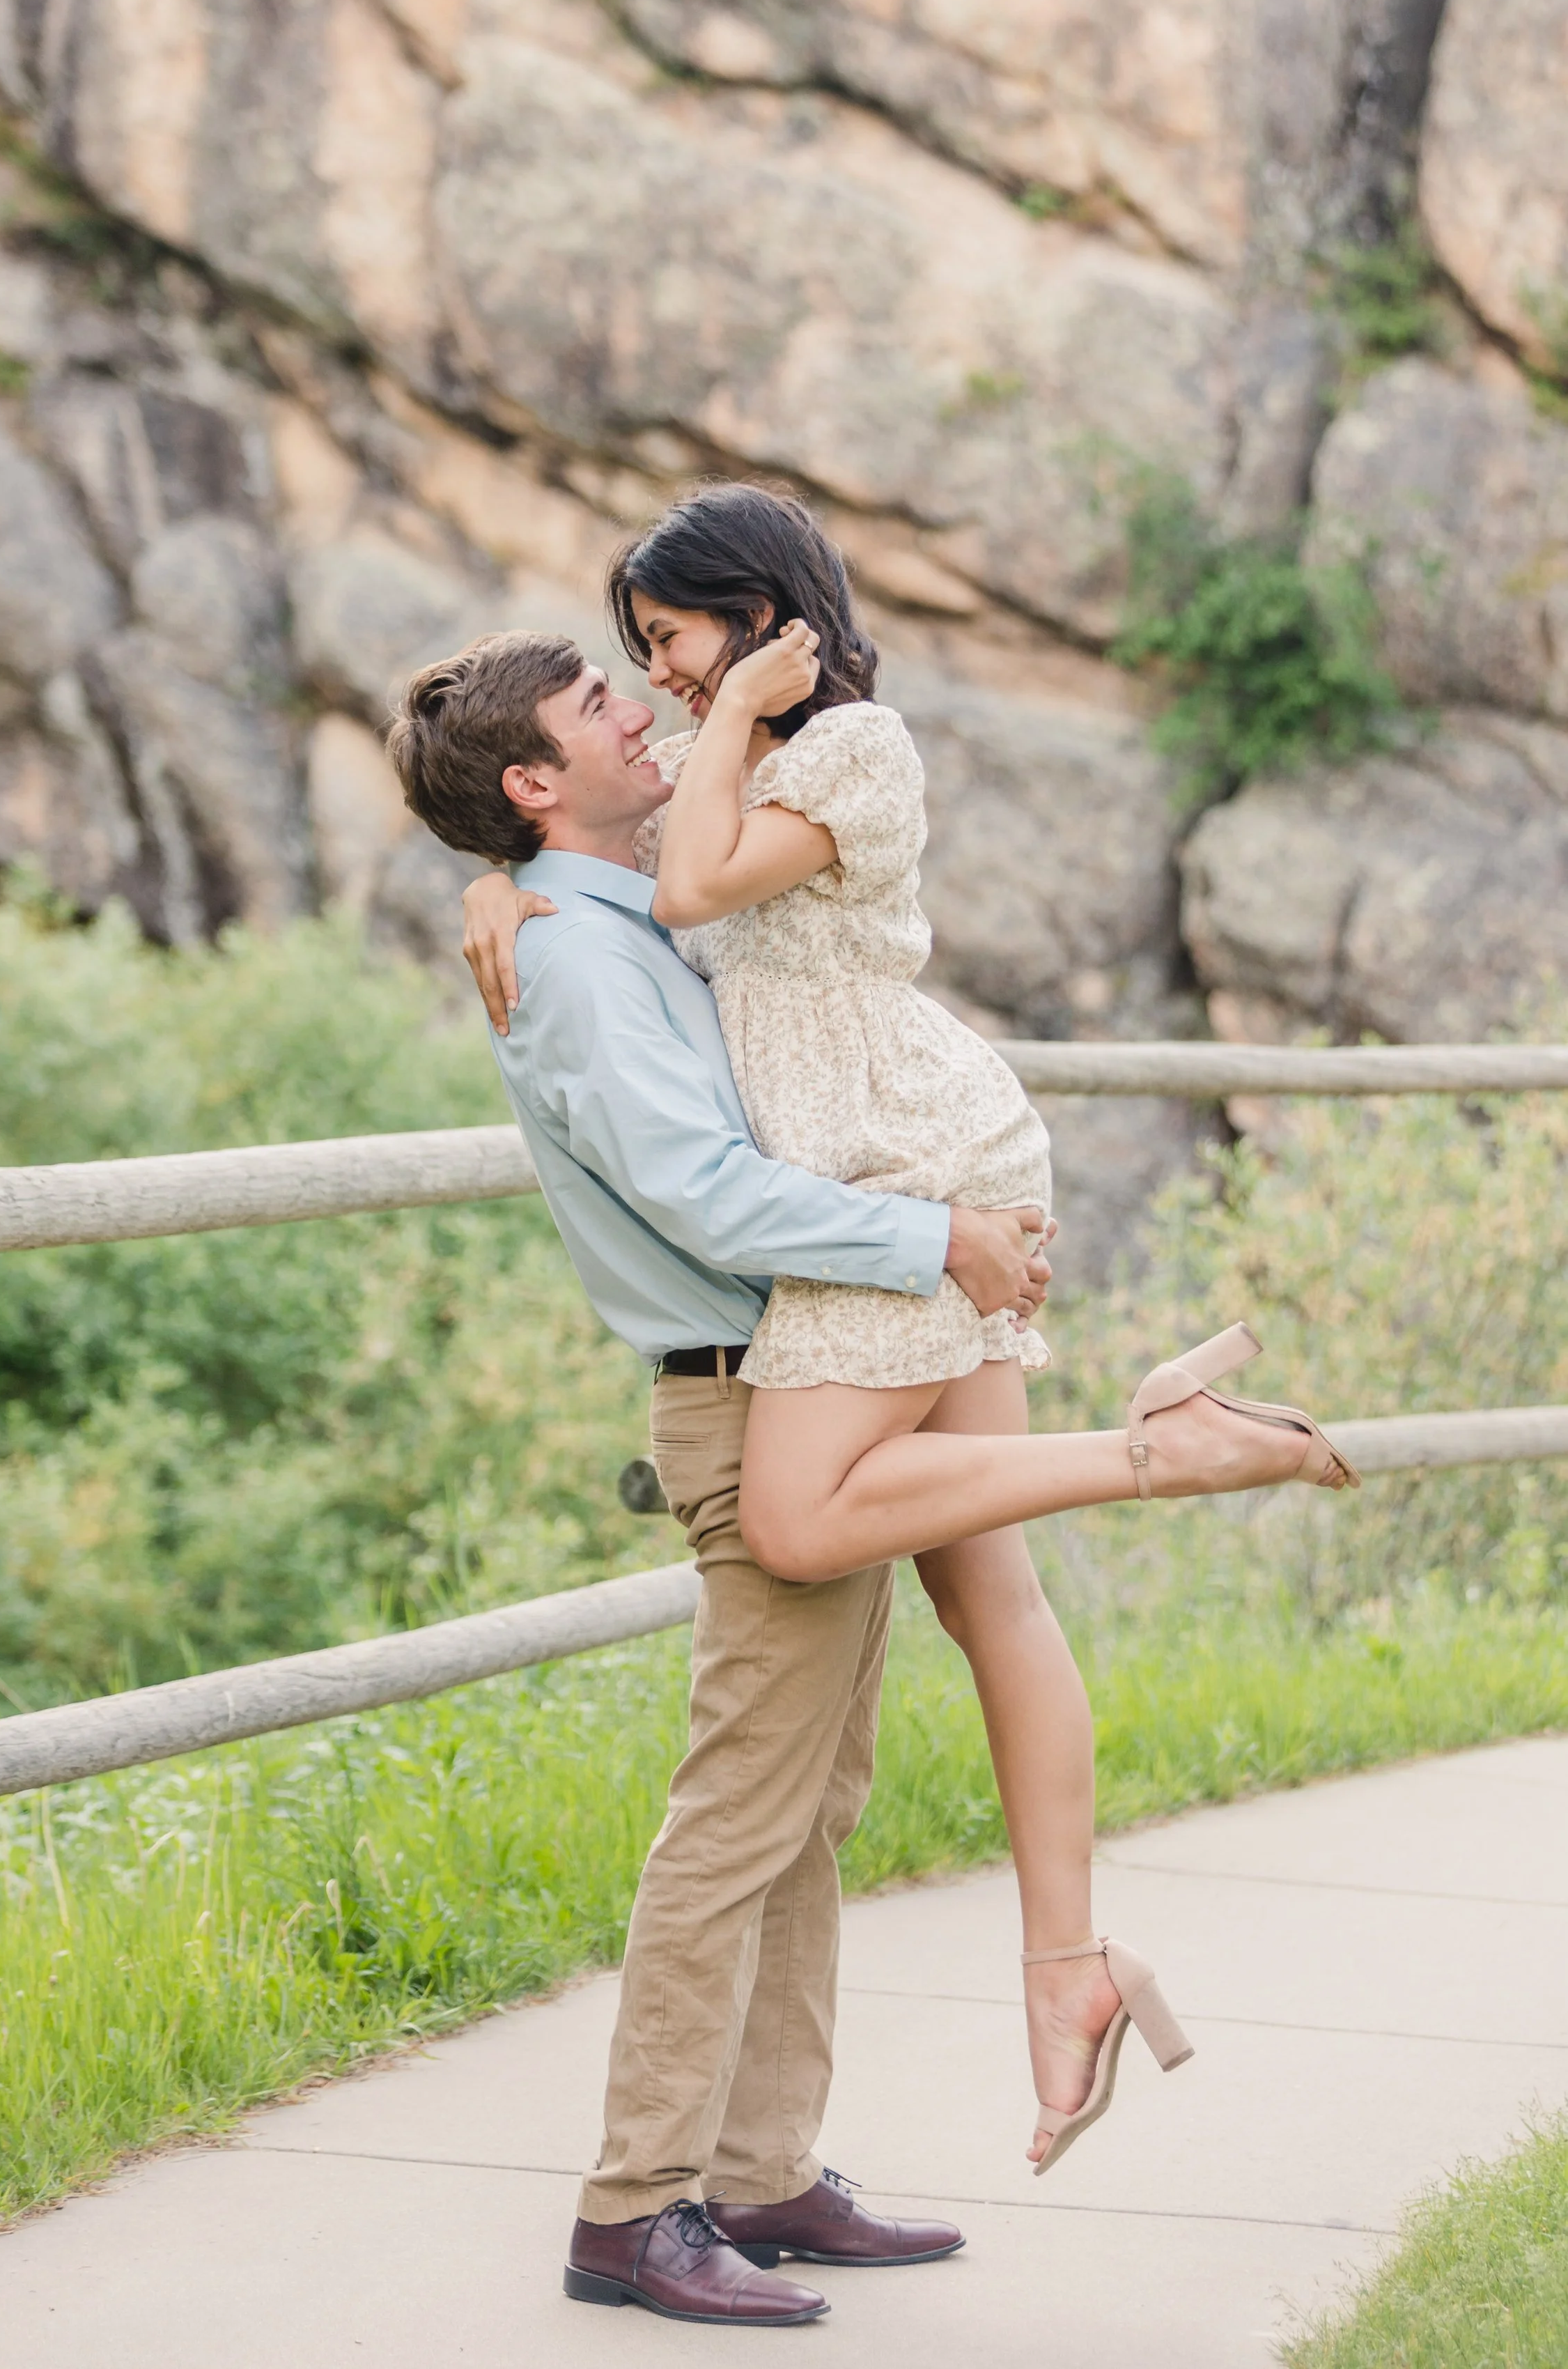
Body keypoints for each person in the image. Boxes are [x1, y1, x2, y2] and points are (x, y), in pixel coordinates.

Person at [457, 482, 1360, 2181]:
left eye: (664, 650)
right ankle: (1065, 1975)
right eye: (625, 678)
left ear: (766, 615)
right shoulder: (689, 810)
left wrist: (684, 752)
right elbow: (638, 890)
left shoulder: (838, 751)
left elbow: (686, 883)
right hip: (887, 1194)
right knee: (963, 1619)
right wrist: (509, 888)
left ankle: (1148, 1455)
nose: (653, 692)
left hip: (903, 1170)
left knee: (831, 1613)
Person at [387, 625, 1043, 2325]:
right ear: (537, 785)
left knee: (806, 1809)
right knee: (733, 1820)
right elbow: (707, 1198)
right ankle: (633, 2209)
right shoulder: (582, 959)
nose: (648, 707)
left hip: (820, 1380)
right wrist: (936, 1237)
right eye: (605, 705)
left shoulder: (635, 914)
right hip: (750, 1397)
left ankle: (759, 2172)